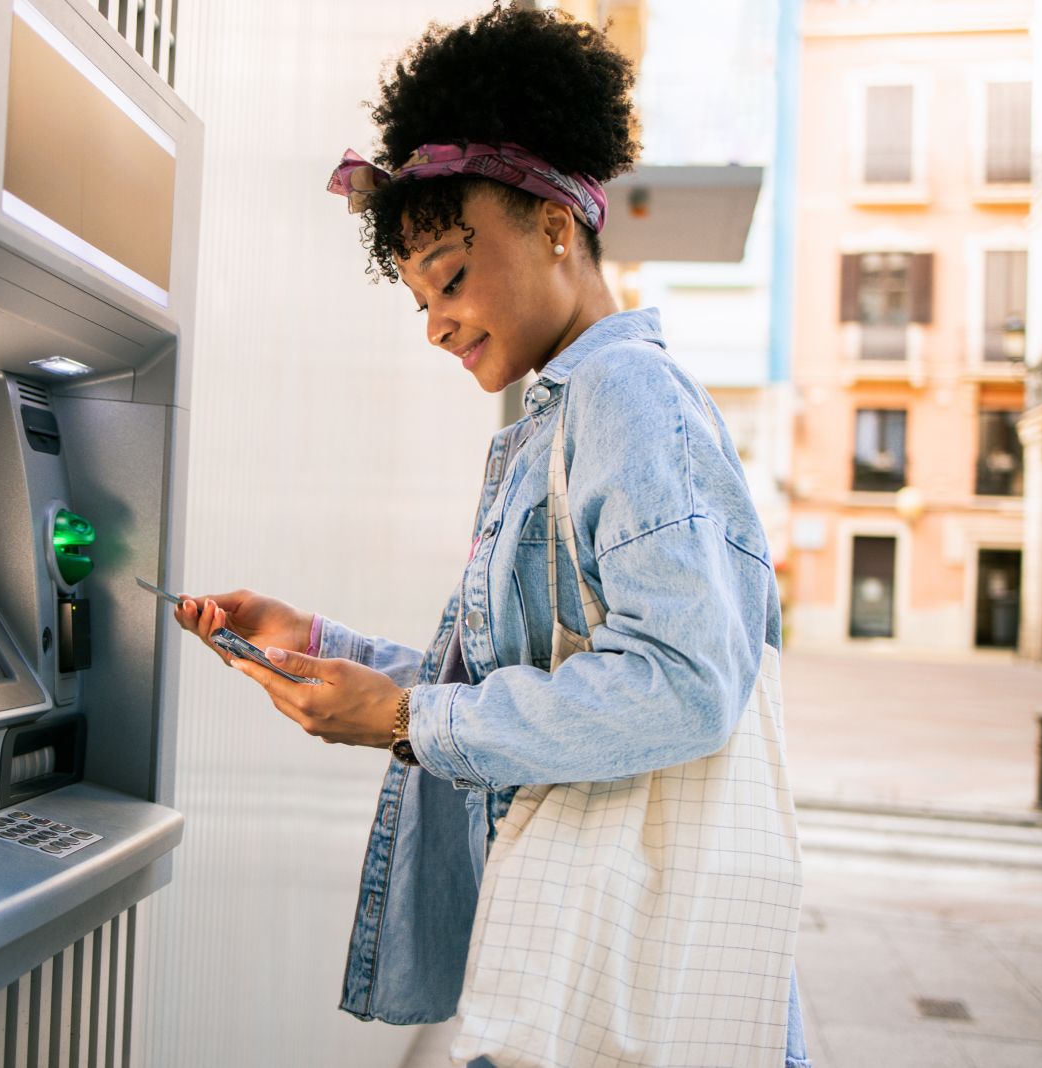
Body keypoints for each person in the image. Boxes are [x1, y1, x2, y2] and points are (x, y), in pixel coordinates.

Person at [173, 7, 810, 1067]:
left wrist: (415, 720)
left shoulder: (624, 397)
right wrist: (334, 653)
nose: (435, 322)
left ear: (555, 223)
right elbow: (528, 681)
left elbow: (686, 684)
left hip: (629, 989)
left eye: (452, 276)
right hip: (575, 965)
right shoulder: (555, 419)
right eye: (420, 297)